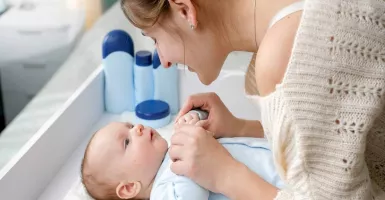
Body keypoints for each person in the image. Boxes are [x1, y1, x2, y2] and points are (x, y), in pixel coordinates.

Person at [120, 0, 385, 199]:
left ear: (185, 10)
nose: (163, 60)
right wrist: (241, 128)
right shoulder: (290, 19)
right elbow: (335, 142)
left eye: (155, 38)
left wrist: (225, 175)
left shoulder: (286, 56)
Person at [80, 111, 283, 200]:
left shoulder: (173, 152)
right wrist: (189, 144)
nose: (138, 128)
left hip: (283, 162)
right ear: (129, 187)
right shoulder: (163, 190)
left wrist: (194, 120)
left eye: (131, 126)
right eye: (127, 141)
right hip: (280, 188)